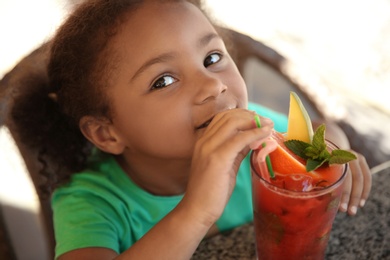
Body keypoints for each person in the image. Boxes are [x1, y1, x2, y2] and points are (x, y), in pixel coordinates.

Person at [8, 0, 371, 259]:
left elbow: (322, 133)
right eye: (164, 80)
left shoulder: (254, 134)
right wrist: (197, 210)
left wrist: (338, 154)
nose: (212, 85)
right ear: (107, 134)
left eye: (212, 59)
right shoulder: (91, 203)